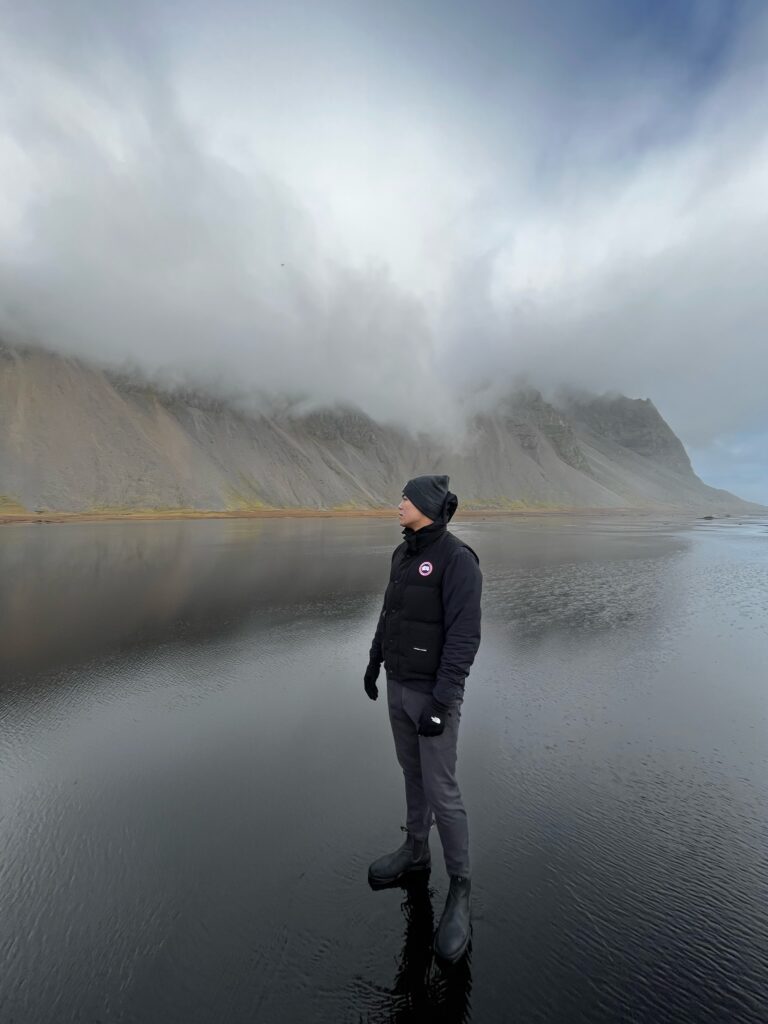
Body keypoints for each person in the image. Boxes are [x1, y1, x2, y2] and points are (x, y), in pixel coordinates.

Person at [364, 474, 483, 964]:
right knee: (412, 774)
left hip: (433, 696)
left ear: (428, 506)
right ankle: (416, 849)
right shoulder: (403, 554)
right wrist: (374, 660)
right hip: (399, 687)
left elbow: (463, 638)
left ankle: (460, 887)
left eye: (406, 499)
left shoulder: (458, 561)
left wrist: (443, 701)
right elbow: (389, 614)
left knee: (443, 791)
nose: (398, 505)